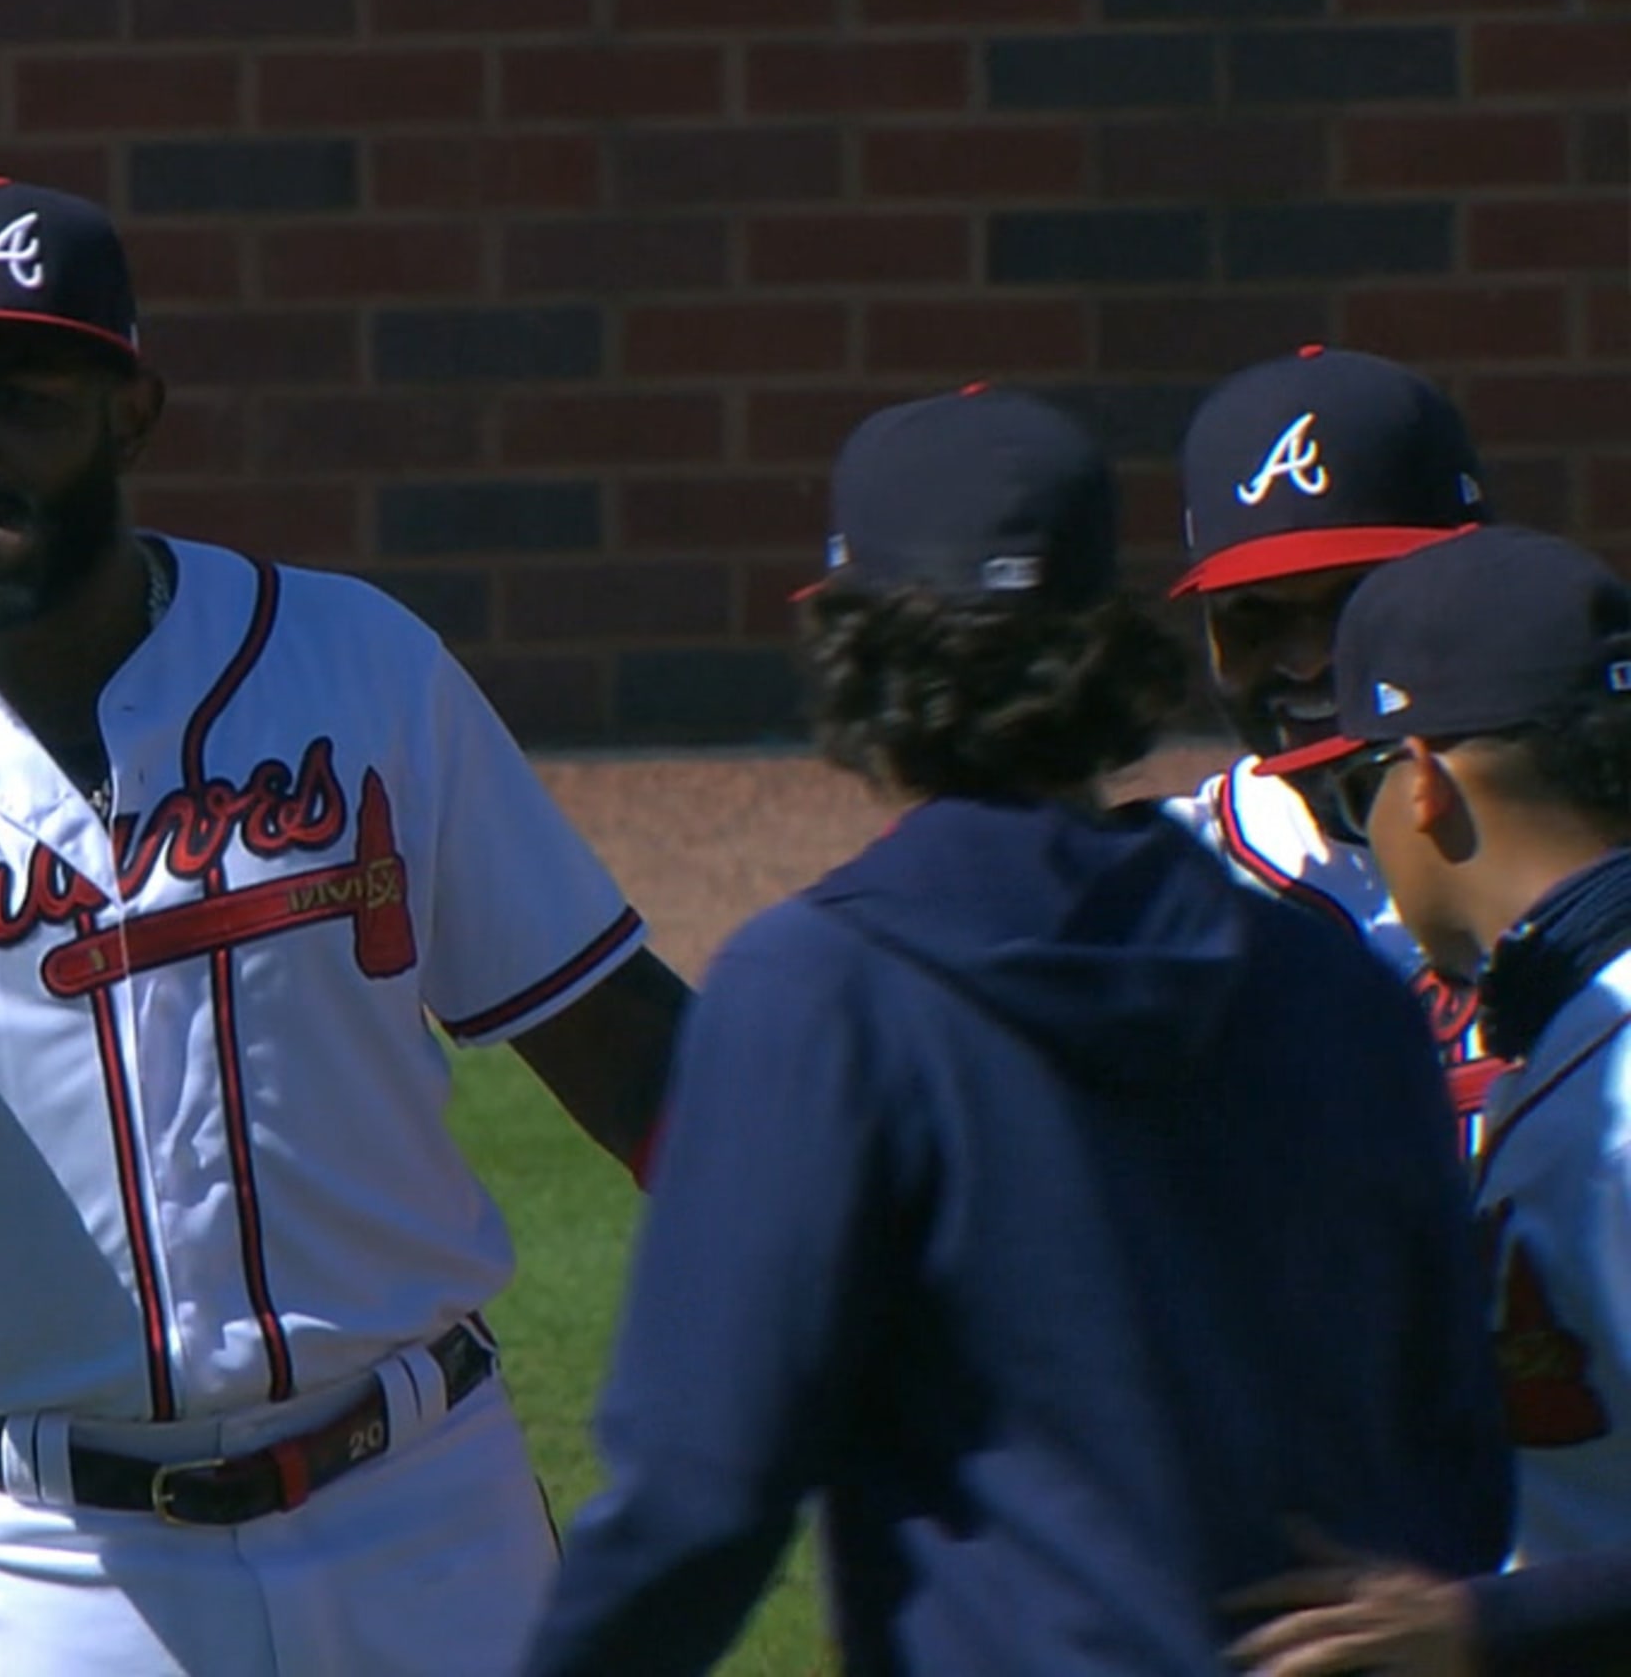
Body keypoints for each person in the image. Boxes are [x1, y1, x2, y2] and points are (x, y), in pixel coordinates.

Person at [0, 176, 693, 1677]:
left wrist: (859, 1301)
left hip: (420, 1510)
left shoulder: (353, 666)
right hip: (47, 1561)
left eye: (20, 396)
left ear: (134, 414)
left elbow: (629, 1048)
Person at [517, 388, 1514, 1677]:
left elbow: (699, 1499)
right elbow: (1458, 1470)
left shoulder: (821, 992)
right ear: (1112, 642)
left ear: (845, 642)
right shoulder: (1337, 987)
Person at [1222, 525, 1631, 1677]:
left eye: (1356, 795)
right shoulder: (1577, 1033)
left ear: (1423, 784)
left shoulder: (1621, 1089)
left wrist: (1479, 1630)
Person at [1164, 344, 1505, 1145]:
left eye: (1356, 604)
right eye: (1253, 617)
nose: (1308, 659)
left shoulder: (1590, 844)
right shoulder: (1157, 893)